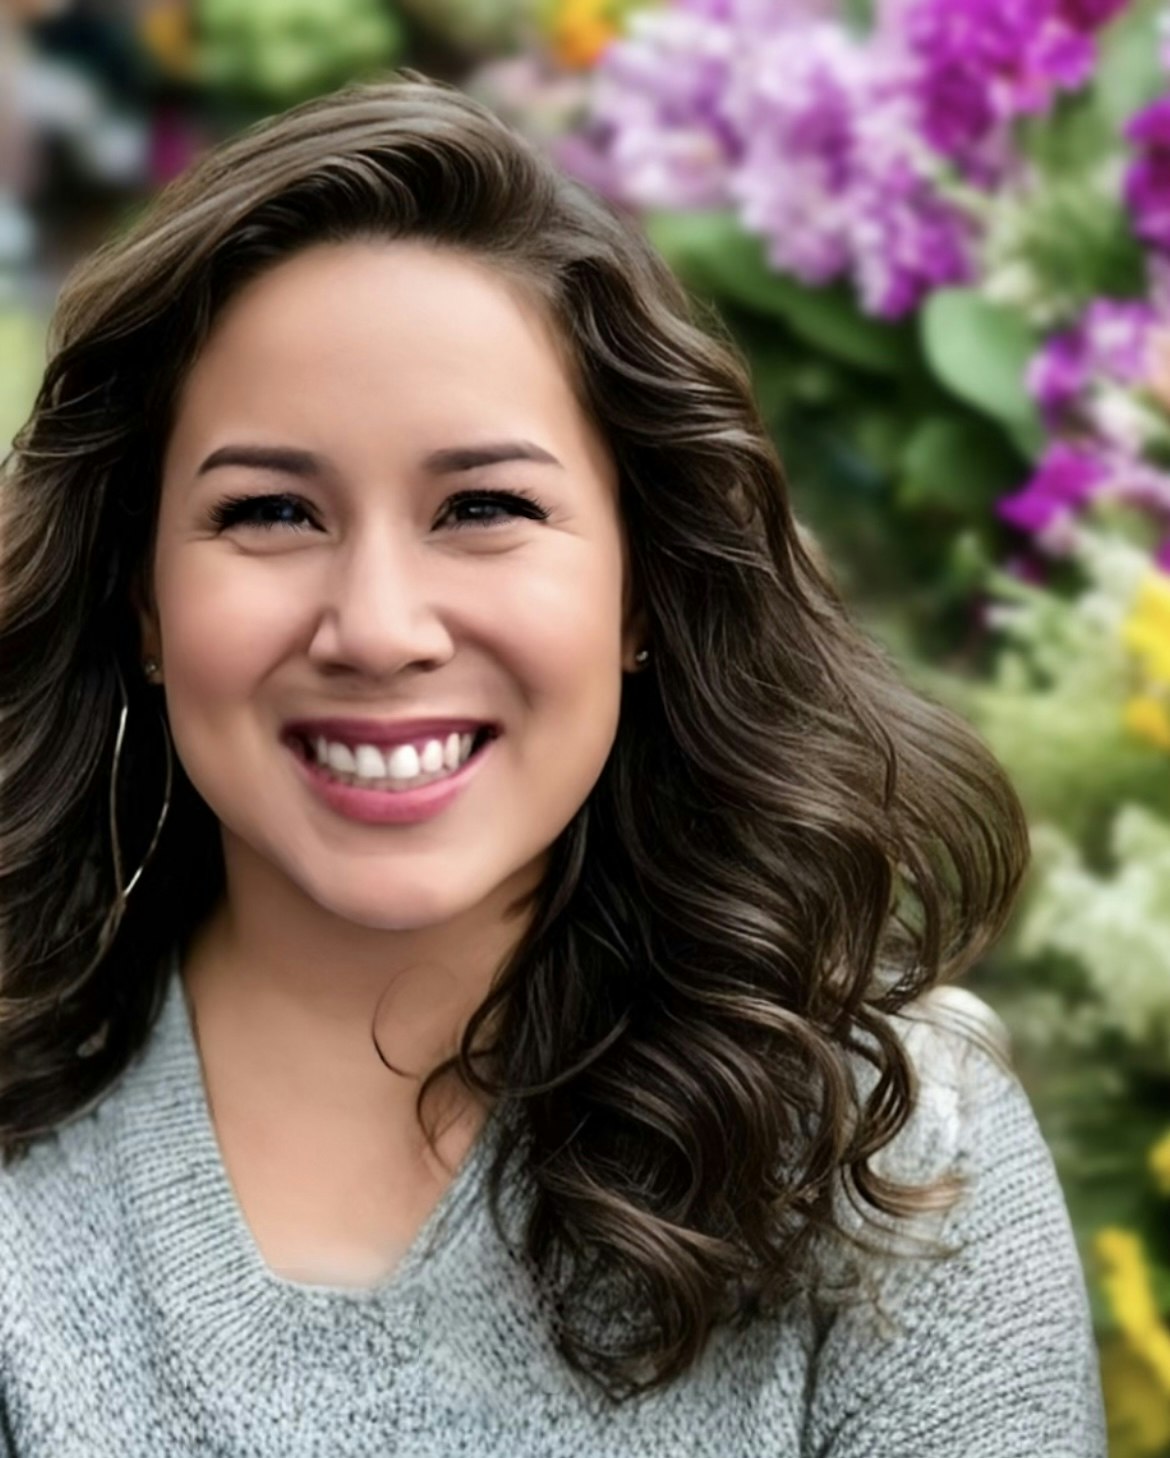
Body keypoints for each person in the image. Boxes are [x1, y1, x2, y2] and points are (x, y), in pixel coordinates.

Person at [0, 68, 1105, 1458]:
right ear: (144, 598)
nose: (379, 628)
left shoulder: (892, 1153)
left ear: (642, 592)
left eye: (484, 507)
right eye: (271, 510)